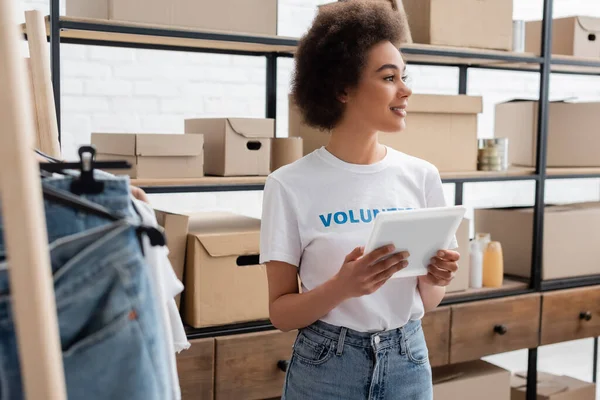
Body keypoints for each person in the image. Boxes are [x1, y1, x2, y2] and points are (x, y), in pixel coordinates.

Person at [259, 1, 460, 399]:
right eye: (389, 78)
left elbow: (429, 300)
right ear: (342, 89)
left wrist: (434, 277)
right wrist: (342, 286)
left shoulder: (422, 176)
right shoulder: (288, 185)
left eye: (404, 76)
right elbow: (281, 313)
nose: (406, 90)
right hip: (326, 365)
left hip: (408, 358)